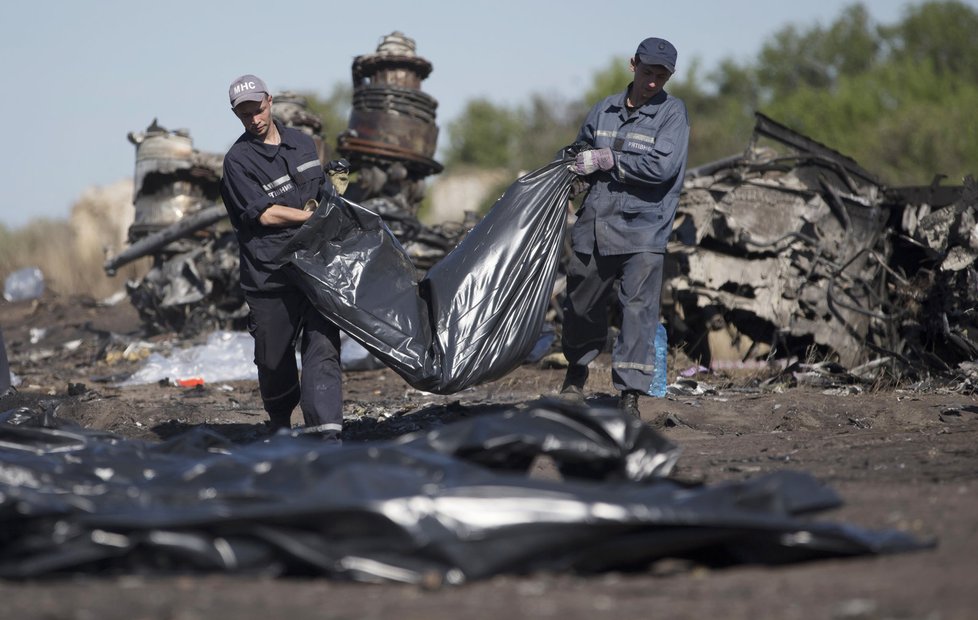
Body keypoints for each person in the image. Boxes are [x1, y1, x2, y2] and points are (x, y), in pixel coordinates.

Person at [561, 37, 690, 418]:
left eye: (661, 75)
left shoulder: (672, 114)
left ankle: (629, 395)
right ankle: (575, 375)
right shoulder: (603, 110)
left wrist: (607, 159)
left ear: (671, 75)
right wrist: (570, 168)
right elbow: (579, 150)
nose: (653, 82)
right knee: (581, 304)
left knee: (638, 311)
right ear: (633, 64)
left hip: (643, 230)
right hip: (595, 226)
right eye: (648, 72)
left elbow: (661, 168)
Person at [220, 74, 343, 440]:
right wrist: (310, 217)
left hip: (313, 269)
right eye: (244, 115)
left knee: (323, 349)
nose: (253, 119)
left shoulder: (303, 145)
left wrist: (333, 199)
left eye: (256, 109)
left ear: (269, 101)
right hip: (270, 276)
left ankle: (327, 436)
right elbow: (265, 214)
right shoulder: (237, 162)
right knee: (274, 363)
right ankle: (279, 425)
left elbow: (320, 192)